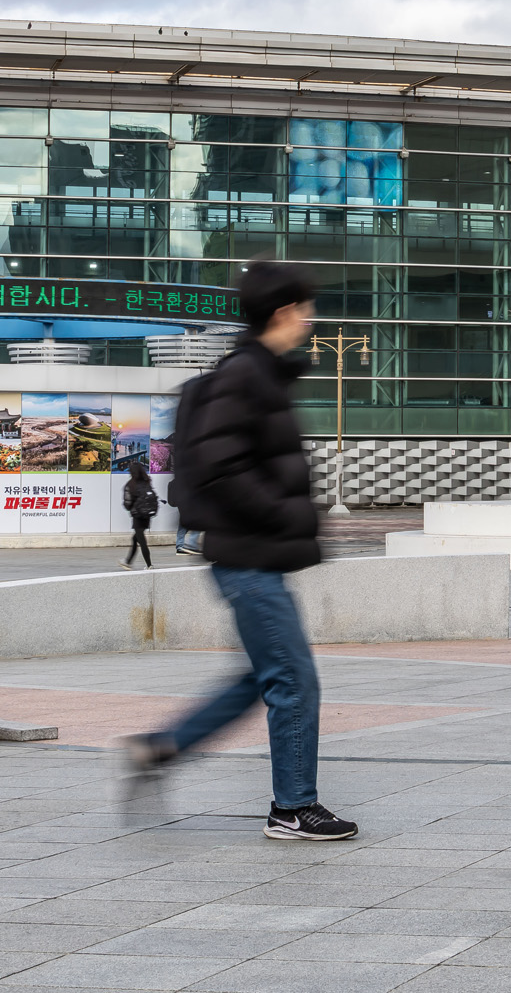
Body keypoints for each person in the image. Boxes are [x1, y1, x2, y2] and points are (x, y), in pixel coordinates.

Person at [122, 261, 357, 841]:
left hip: (253, 555)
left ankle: (161, 748)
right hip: (247, 555)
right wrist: (288, 514)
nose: (309, 319)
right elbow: (222, 469)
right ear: (283, 312)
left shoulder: (259, 374)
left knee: (261, 676)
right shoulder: (245, 375)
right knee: (294, 680)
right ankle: (293, 808)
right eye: (304, 308)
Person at [119, 462, 157, 570]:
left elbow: (127, 503)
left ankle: (149, 565)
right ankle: (128, 561)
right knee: (135, 538)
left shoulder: (131, 485)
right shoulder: (147, 482)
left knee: (141, 541)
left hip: (138, 516)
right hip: (147, 516)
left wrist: (131, 508)